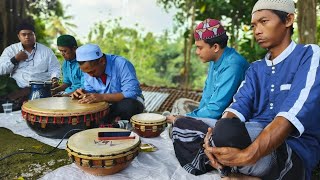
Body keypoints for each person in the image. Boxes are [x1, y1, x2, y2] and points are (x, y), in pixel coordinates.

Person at [201, 0, 320, 179]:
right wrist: (216, 135)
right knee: (192, 128)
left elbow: (289, 116)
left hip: (292, 148)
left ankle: (240, 170)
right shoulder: (255, 68)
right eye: (254, 25)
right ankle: (243, 171)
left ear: (288, 20)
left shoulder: (309, 55)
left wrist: (246, 156)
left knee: (226, 139)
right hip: (252, 136)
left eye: (264, 22)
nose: (257, 30)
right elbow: (237, 107)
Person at [166, 19, 249, 123]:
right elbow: (207, 97)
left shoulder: (233, 66)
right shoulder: (215, 59)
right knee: (180, 103)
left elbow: (215, 110)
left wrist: (182, 119)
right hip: (214, 112)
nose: (197, 52)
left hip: (226, 121)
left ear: (215, 47)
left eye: (200, 48)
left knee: (178, 121)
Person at [71, 43, 144, 124]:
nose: (90, 75)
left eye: (92, 71)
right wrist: (84, 94)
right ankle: (110, 122)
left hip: (130, 102)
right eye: (86, 73)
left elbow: (131, 93)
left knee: (128, 106)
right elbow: (91, 90)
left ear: (102, 61)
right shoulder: (88, 69)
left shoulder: (122, 64)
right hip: (106, 105)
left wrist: (102, 97)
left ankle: (115, 123)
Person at [0, 21, 60, 112]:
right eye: (23, 34)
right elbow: (1, 70)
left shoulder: (46, 51)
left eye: (30, 34)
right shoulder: (10, 50)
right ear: (19, 36)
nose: (27, 37)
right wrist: (15, 59)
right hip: (18, 90)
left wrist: (54, 78)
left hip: (41, 90)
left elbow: (54, 67)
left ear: (34, 35)